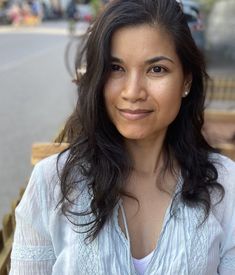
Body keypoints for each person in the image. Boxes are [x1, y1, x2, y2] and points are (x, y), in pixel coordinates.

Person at [9, 0, 235, 274]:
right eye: (116, 68)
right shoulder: (51, 185)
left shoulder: (226, 186)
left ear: (186, 80)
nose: (133, 91)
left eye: (156, 69)